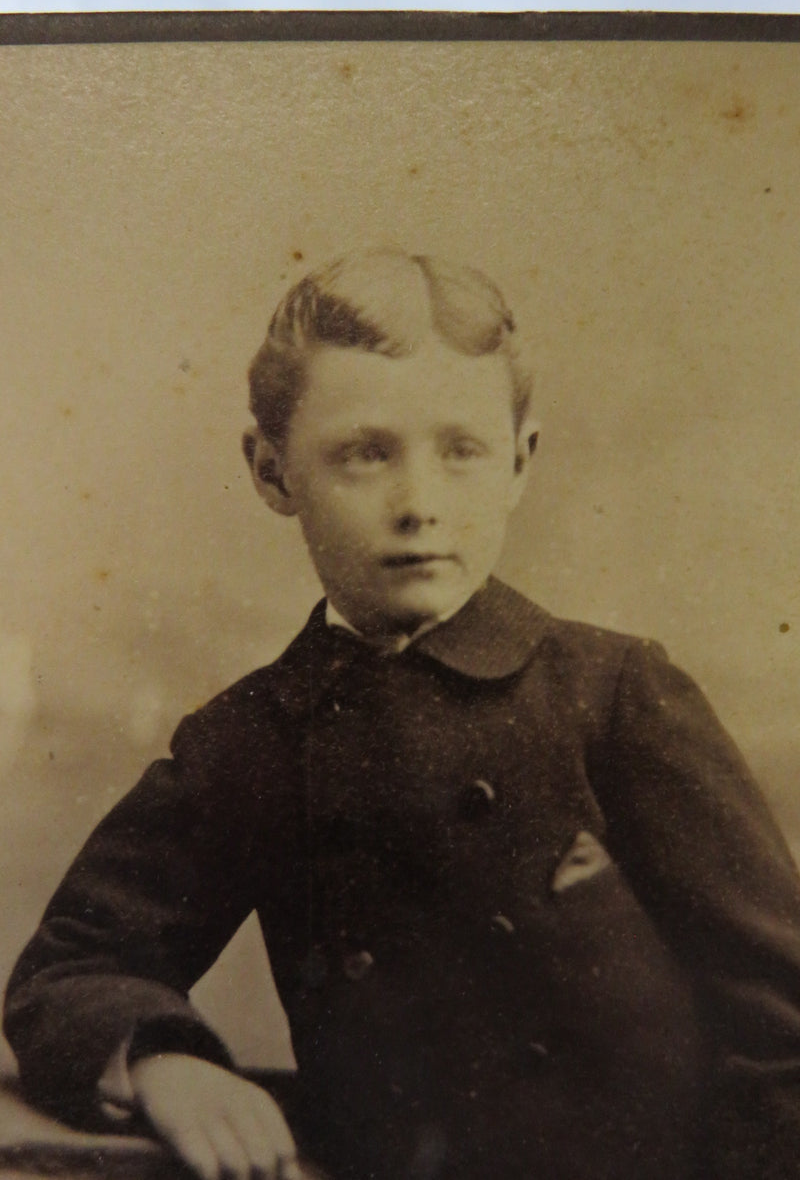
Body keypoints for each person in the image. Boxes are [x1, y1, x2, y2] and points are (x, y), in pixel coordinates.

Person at [5, 248, 800, 1180]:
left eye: (460, 450)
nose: (419, 504)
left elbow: (783, 1025)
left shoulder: (614, 694)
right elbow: (65, 973)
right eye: (364, 454)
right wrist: (162, 1061)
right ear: (270, 472)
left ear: (517, 462)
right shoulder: (249, 741)